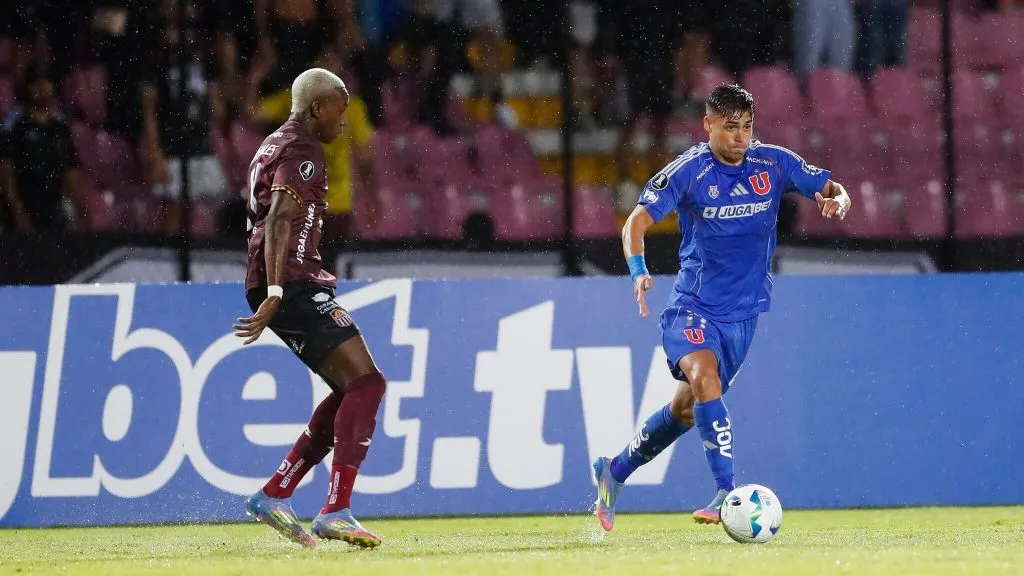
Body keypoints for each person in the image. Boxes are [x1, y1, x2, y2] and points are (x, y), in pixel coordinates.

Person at [592, 84, 852, 530]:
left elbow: (830, 187)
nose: (740, 137)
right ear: (708, 124)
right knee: (705, 378)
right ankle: (726, 493)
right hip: (692, 307)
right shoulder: (689, 172)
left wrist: (838, 198)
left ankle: (613, 473)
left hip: (744, 315)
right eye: (730, 127)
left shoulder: (773, 163)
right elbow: (635, 222)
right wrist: (638, 271)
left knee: (685, 411)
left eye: (747, 127)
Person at [234, 68, 386, 549]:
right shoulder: (302, 150)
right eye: (340, 107)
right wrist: (278, 289)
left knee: (349, 390)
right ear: (317, 106)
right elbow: (280, 217)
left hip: (285, 280)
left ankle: (275, 493)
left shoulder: (272, 143)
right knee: (366, 381)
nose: (345, 118)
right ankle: (336, 509)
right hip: (292, 283)